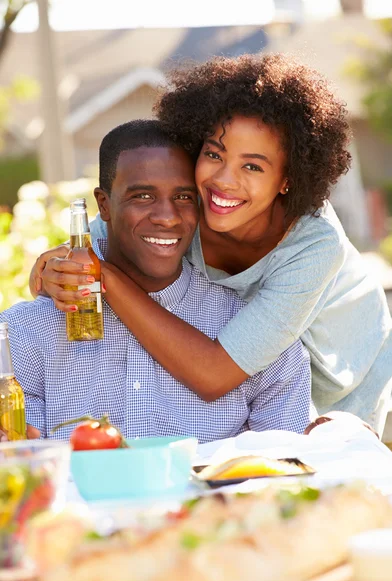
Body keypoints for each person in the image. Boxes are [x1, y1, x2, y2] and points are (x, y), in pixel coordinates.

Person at [31, 54, 392, 437]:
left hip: (340, 359)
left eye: (252, 166)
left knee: (325, 460)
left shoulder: (314, 245)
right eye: (214, 154)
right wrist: (56, 270)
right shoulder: (183, 207)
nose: (224, 181)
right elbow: (93, 247)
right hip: (250, 365)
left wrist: (105, 276)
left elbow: (213, 374)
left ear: (287, 179)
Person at [0, 120, 314, 443]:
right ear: (104, 205)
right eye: (144, 196)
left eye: (183, 197)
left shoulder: (257, 341)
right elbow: (27, 469)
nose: (167, 216)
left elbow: (285, 472)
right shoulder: (26, 336)